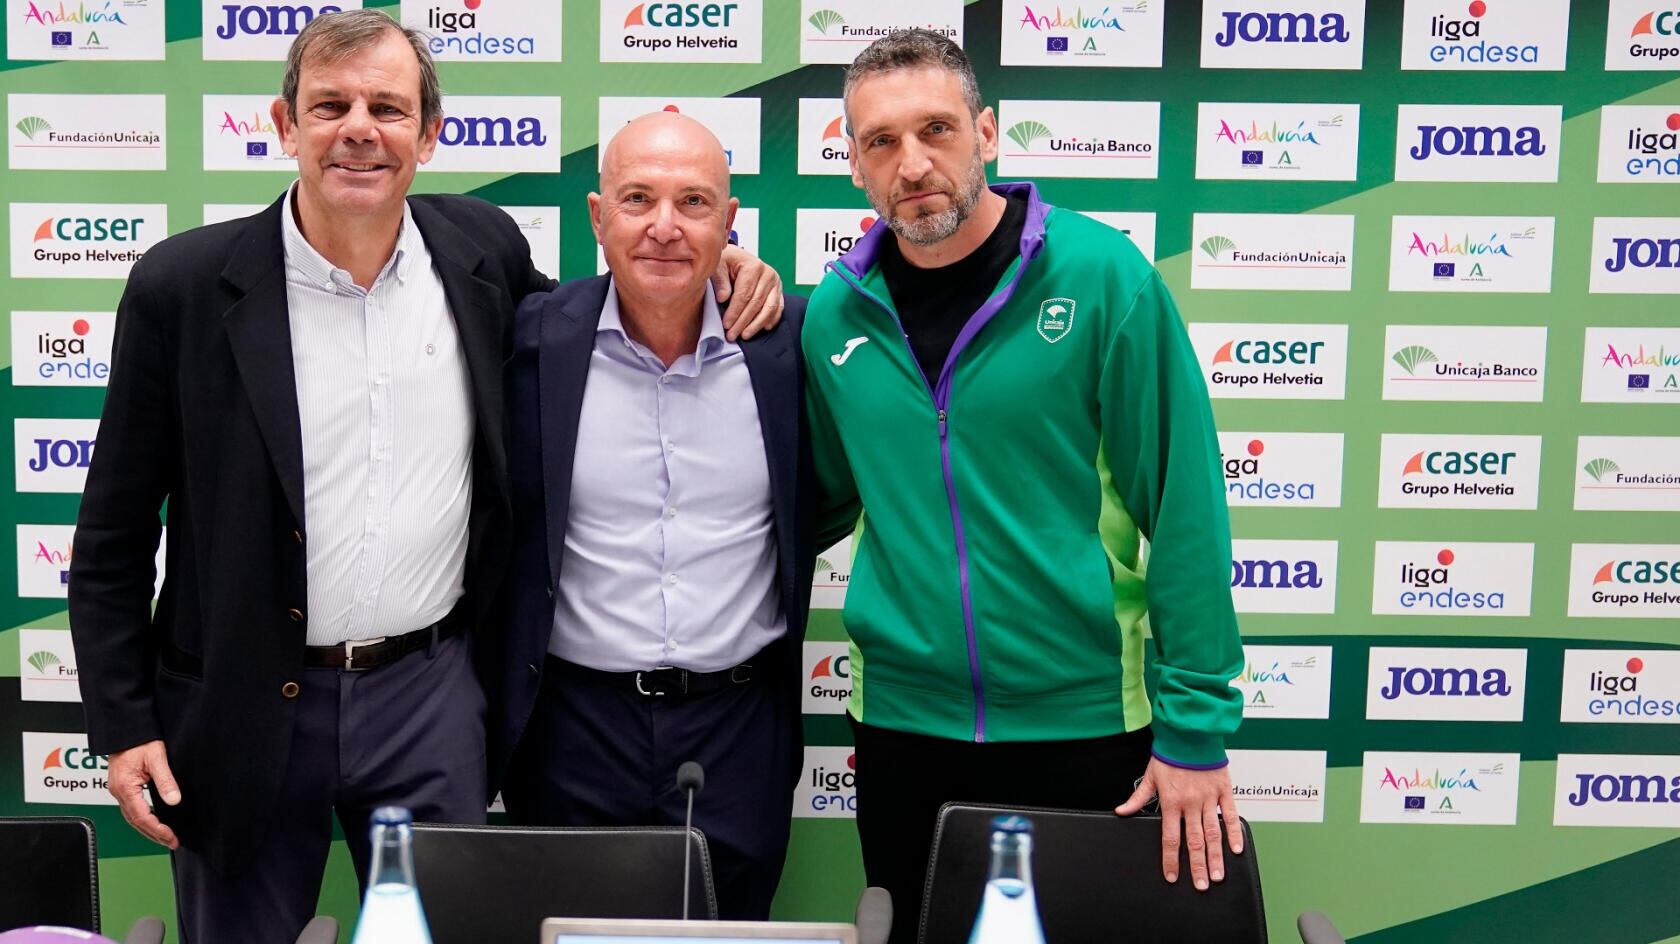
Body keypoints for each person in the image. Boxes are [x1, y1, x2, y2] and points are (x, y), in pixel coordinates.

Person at [66, 11, 781, 943]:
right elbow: (114, 534)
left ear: (429, 135)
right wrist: (124, 725)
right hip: (239, 700)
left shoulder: (482, 255)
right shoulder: (184, 287)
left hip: (429, 696)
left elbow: (620, 301)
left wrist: (717, 263)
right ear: (285, 125)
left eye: (388, 108)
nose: (359, 127)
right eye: (331, 105)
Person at [802, 30, 1247, 940]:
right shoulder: (835, 316)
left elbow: (1187, 504)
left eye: (937, 129)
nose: (913, 162)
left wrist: (1195, 729)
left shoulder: (1099, 276)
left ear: (989, 132)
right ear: (852, 163)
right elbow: (814, 499)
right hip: (902, 731)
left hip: (1085, 724)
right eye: (880, 141)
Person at [500, 112, 813, 920]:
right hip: (572, 728)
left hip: (740, 729)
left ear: (731, 220)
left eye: (695, 203)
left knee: (731, 935)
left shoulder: (792, 344)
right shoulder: (528, 339)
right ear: (598, 216)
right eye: (638, 199)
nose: (665, 228)